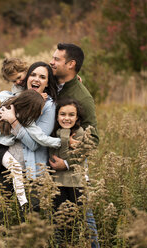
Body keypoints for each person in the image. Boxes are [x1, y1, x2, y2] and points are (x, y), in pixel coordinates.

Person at [0, 61, 58, 210]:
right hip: (0, 162)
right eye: (32, 75)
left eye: (42, 77)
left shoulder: (48, 106)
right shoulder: (14, 95)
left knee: (33, 219)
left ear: (47, 82)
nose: (35, 79)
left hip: (31, 169)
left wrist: (13, 121)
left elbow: (34, 144)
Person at [49, 43, 100, 248]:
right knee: (57, 221)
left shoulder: (83, 97)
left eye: (56, 59)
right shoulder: (50, 81)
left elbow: (93, 139)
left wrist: (68, 163)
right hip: (47, 165)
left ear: (71, 64)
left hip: (70, 170)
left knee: (83, 215)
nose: (51, 62)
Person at [49, 98, 90, 245]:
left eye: (71, 115)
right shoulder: (53, 133)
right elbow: (52, 158)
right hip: (58, 184)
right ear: (57, 116)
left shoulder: (79, 133)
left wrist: (65, 138)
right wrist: (65, 139)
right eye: (63, 114)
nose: (67, 118)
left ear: (77, 117)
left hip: (75, 184)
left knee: (76, 221)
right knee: (60, 222)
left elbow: (68, 157)